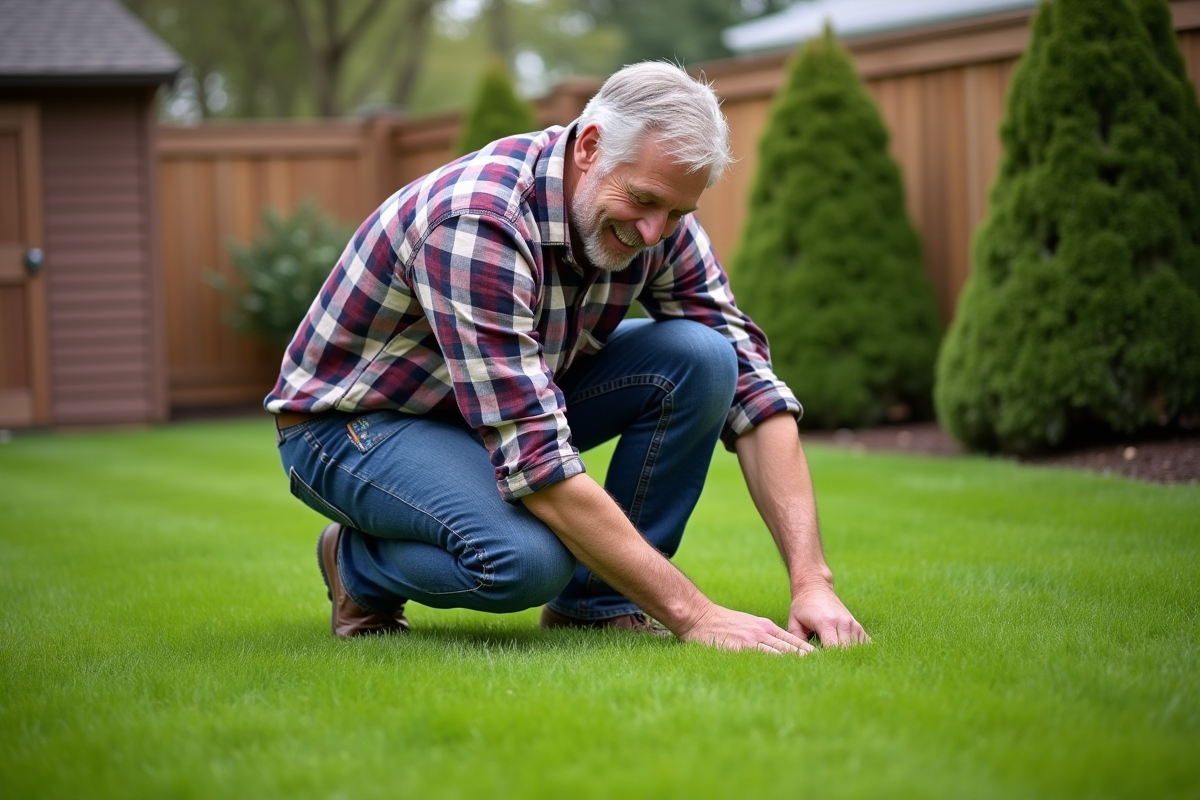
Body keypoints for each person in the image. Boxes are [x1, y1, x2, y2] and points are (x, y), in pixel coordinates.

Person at [266, 62, 869, 654]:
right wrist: (695, 615)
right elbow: (534, 453)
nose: (656, 232)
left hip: (482, 413)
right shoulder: (479, 221)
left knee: (706, 358)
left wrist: (812, 581)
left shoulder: (656, 219)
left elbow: (753, 388)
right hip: (354, 427)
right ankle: (356, 566)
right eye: (643, 200)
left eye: (679, 212)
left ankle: (598, 606)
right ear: (589, 146)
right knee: (525, 561)